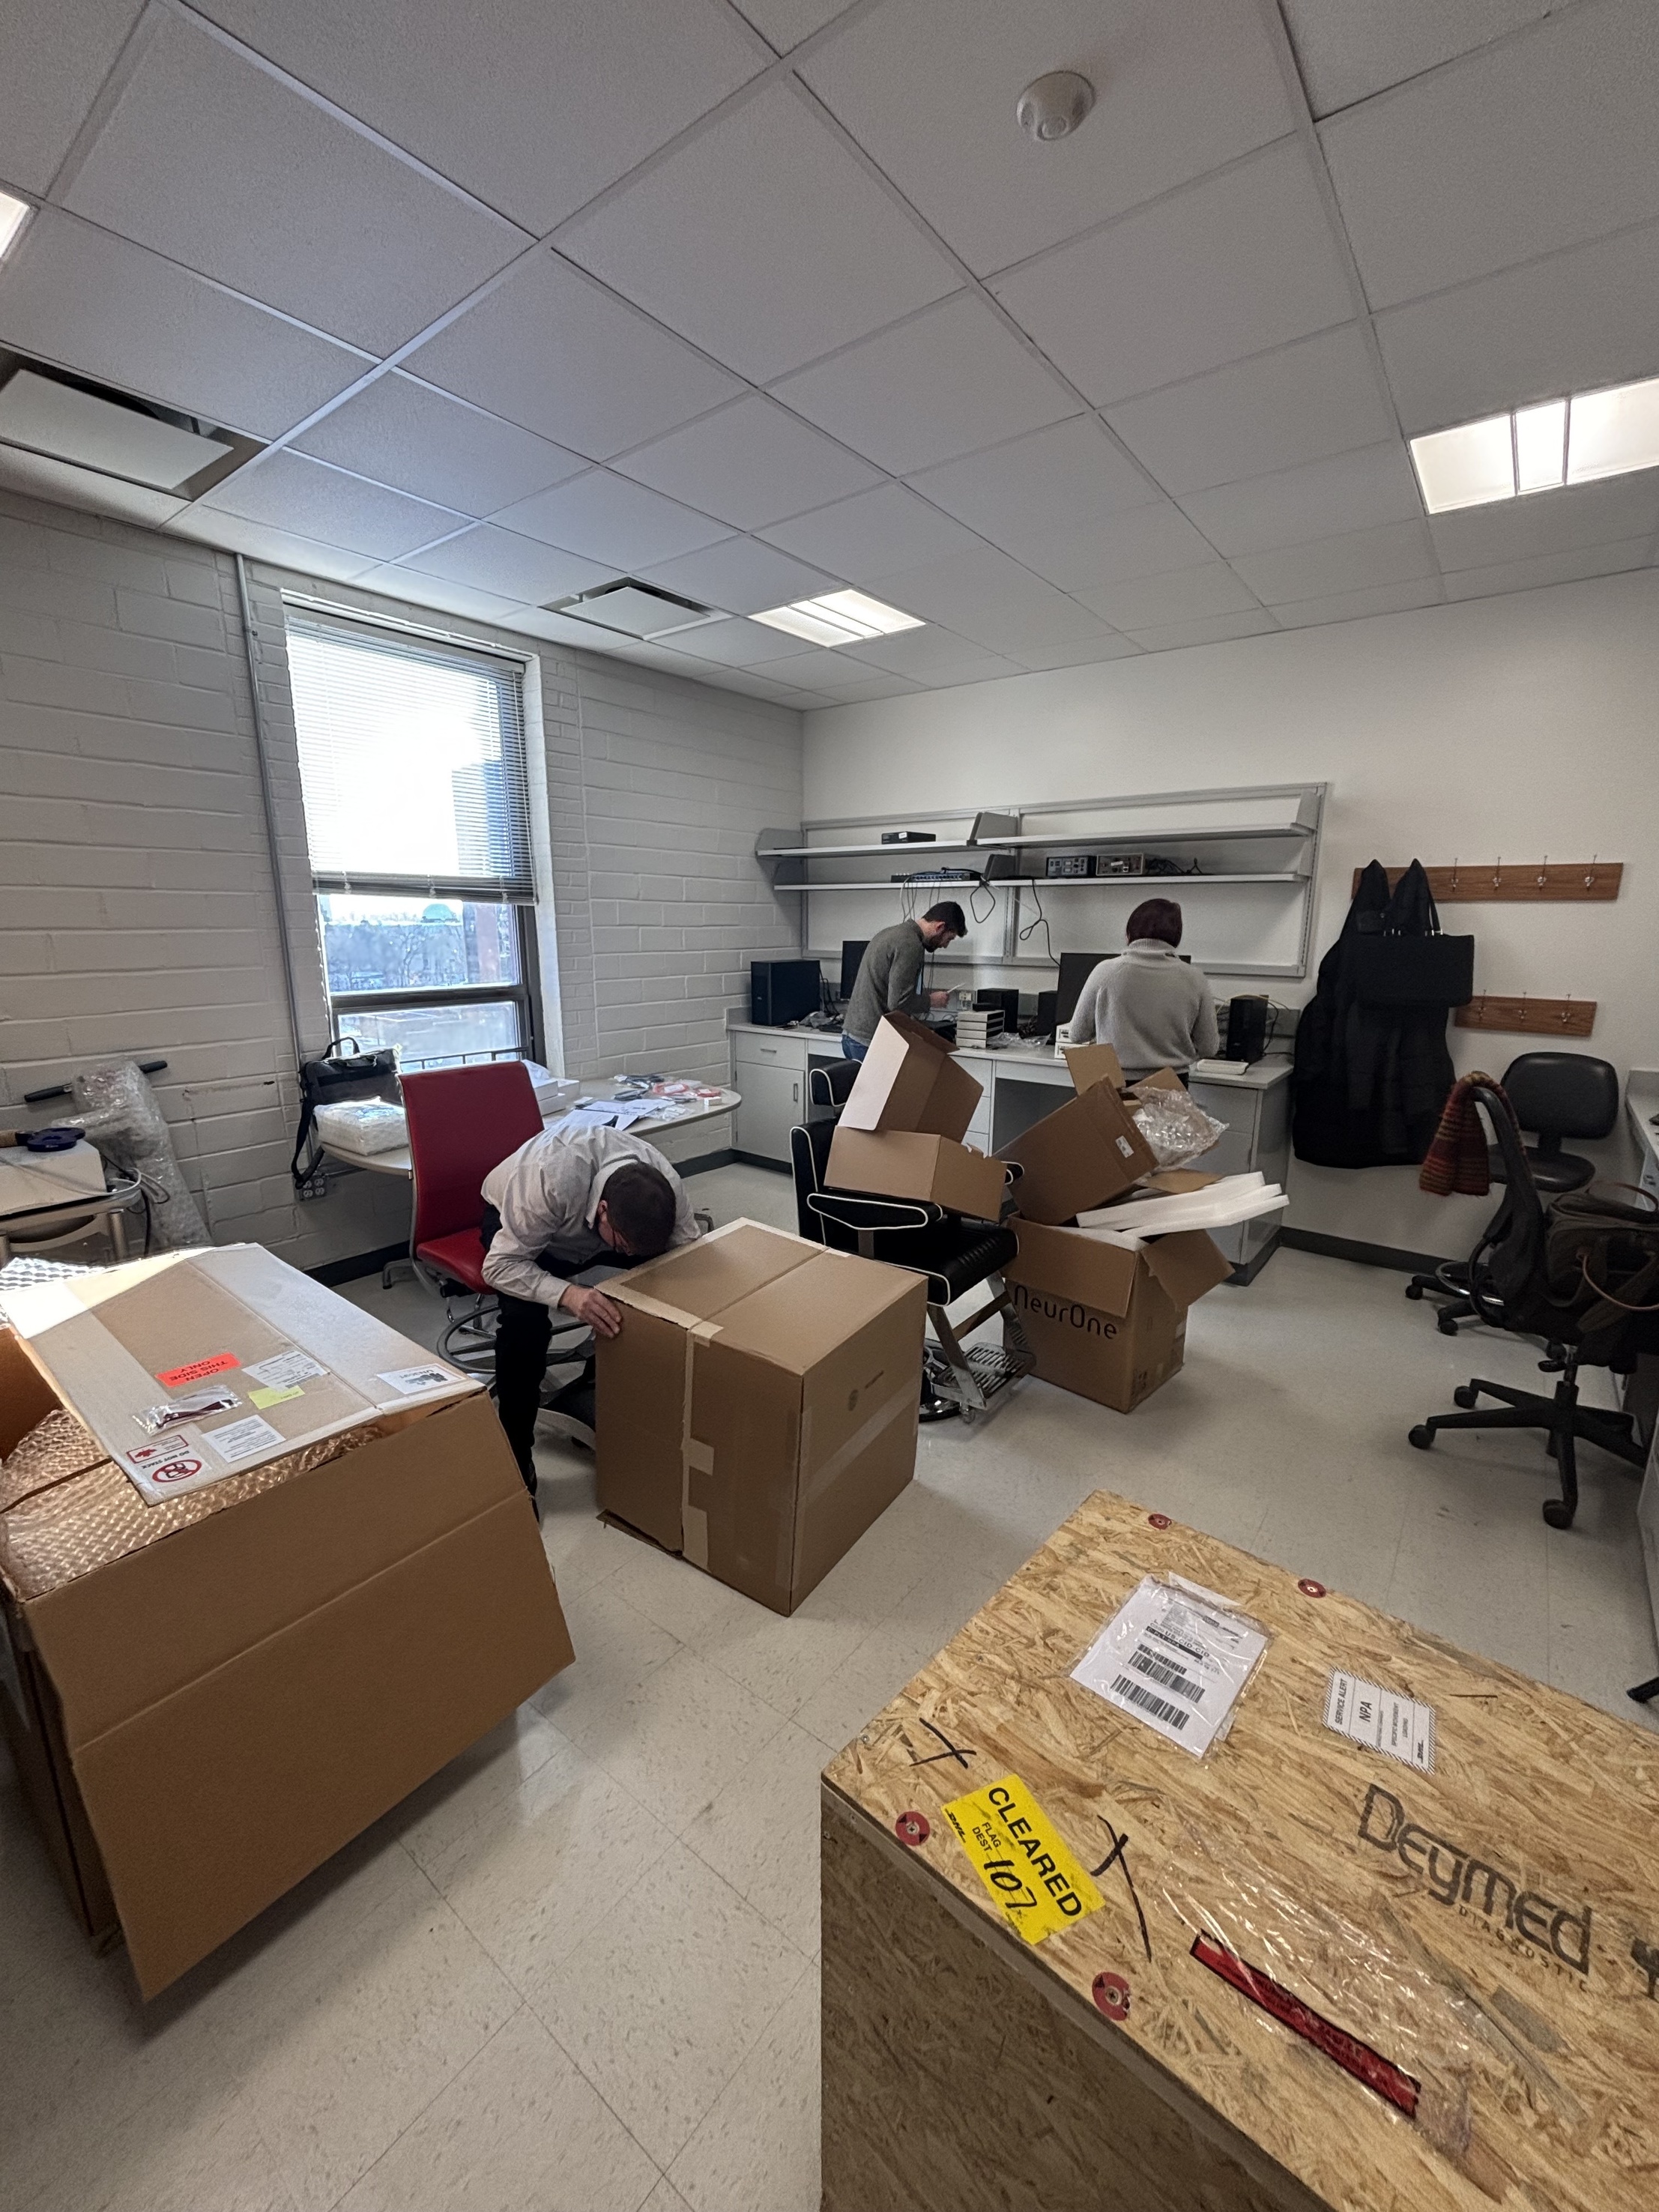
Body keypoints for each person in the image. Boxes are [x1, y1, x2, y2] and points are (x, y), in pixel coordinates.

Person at [480, 1124, 701, 1496]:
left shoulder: (666, 1186)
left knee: (657, 1289)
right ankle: (516, 1459)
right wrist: (568, 1295)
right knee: (524, 1326)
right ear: (603, 1209)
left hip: (591, 1232)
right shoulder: (550, 1177)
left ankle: (596, 1394)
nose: (629, 1255)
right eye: (625, 1245)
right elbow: (499, 1267)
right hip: (520, 1230)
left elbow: (688, 1257)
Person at [1066, 898, 1218, 1078]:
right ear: (1176, 938)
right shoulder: (1195, 978)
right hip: (1172, 1084)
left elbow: (1077, 1034)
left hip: (1115, 1082)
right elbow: (1209, 1047)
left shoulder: (1105, 972)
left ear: (1128, 934)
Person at [841, 903, 966, 1060]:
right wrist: (931, 1001)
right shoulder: (910, 945)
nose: (945, 946)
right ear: (940, 927)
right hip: (870, 1042)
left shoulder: (891, 933)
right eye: (949, 939)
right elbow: (899, 1002)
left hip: (852, 1036)